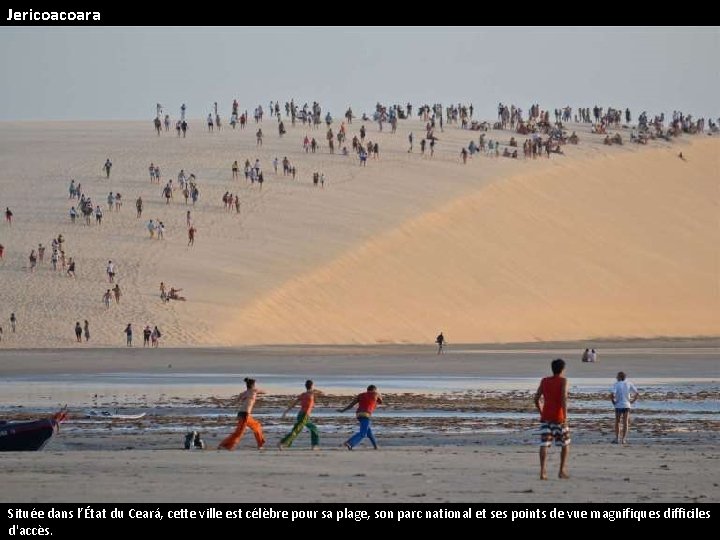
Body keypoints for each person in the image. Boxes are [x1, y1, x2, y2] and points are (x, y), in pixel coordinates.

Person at [534, 358, 570, 480]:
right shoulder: (563, 381)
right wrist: (565, 416)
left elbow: (536, 398)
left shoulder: (544, 381)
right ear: (562, 369)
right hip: (558, 417)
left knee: (544, 444)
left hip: (546, 417)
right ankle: (561, 470)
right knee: (565, 444)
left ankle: (542, 472)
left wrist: (541, 410)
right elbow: (563, 398)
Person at [218, 377, 266, 450]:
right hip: (244, 415)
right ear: (253, 385)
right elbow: (264, 391)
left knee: (257, 426)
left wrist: (226, 405)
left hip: (244, 414)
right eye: (255, 384)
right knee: (239, 433)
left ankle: (260, 445)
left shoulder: (243, 393)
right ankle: (223, 445)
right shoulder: (254, 390)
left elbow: (234, 402)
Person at [278, 380, 322, 450]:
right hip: (304, 415)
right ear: (312, 385)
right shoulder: (311, 393)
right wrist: (314, 390)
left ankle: (314, 445)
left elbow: (293, 404)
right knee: (296, 430)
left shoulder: (303, 394)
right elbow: (321, 392)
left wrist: (285, 412)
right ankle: (282, 443)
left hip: (302, 415)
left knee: (313, 428)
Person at [338, 385, 382, 450]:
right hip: (366, 414)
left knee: (368, 432)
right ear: (374, 389)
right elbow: (381, 401)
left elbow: (351, 405)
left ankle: (375, 446)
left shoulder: (361, 395)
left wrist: (343, 410)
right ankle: (350, 443)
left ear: (367, 390)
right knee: (363, 433)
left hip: (358, 414)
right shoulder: (376, 394)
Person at [610, 372, 639, 445]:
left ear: (619, 377)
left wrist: (613, 401)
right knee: (625, 422)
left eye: (617, 376)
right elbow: (637, 393)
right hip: (627, 405)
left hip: (619, 405)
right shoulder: (629, 383)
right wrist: (632, 401)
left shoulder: (616, 384)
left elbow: (612, 394)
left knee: (617, 422)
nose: (616, 377)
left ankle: (617, 438)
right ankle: (623, 439)